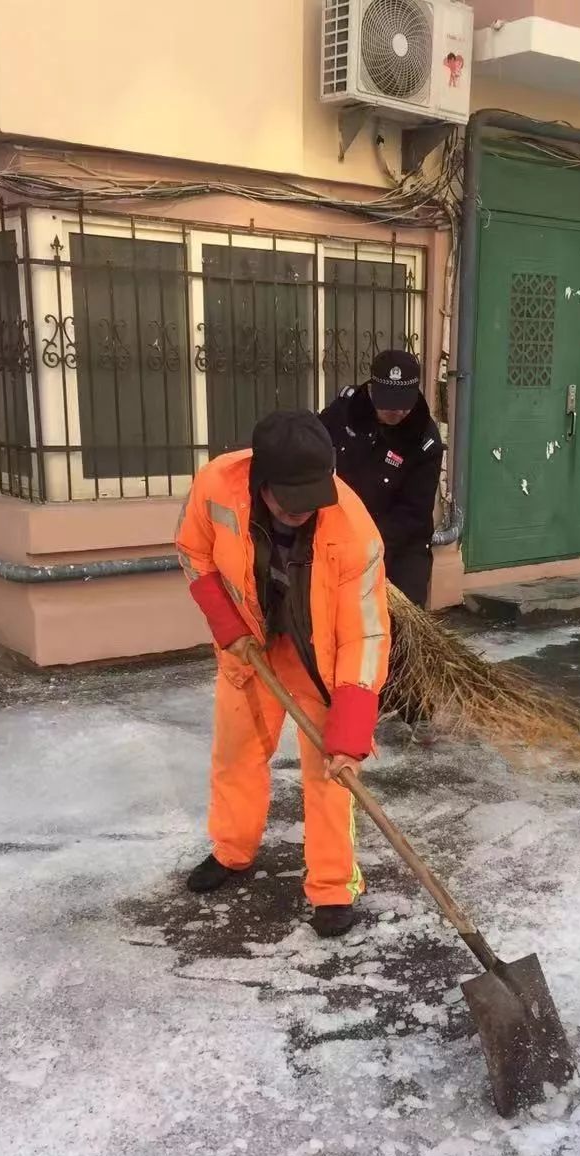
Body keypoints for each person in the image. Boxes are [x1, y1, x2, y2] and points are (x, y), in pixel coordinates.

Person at [175, 410, 389, 939]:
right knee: (236, 755)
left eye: (311, 498)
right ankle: (232, 851)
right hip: (250, 649)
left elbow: (366, 633)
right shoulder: (217, 486)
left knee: (330, 773)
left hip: (320, 660)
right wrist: (228, 626)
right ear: (260, 482)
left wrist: (352, 726)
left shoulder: (354, 529)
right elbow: (193, 552)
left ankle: (334, 888)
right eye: (288, 501)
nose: (301, 512)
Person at [319, 350, 443, 733]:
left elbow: (414, 511)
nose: (395, 413)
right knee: (342, 626)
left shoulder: (424, 439)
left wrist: (369, 545)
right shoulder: (339, 416)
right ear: (370, 387)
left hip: (400, 546)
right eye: (387, 404)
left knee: (404, 630)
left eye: (402, 405)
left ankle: (410, 705)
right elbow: (312, 463)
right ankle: (347, 699)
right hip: (338, 542)